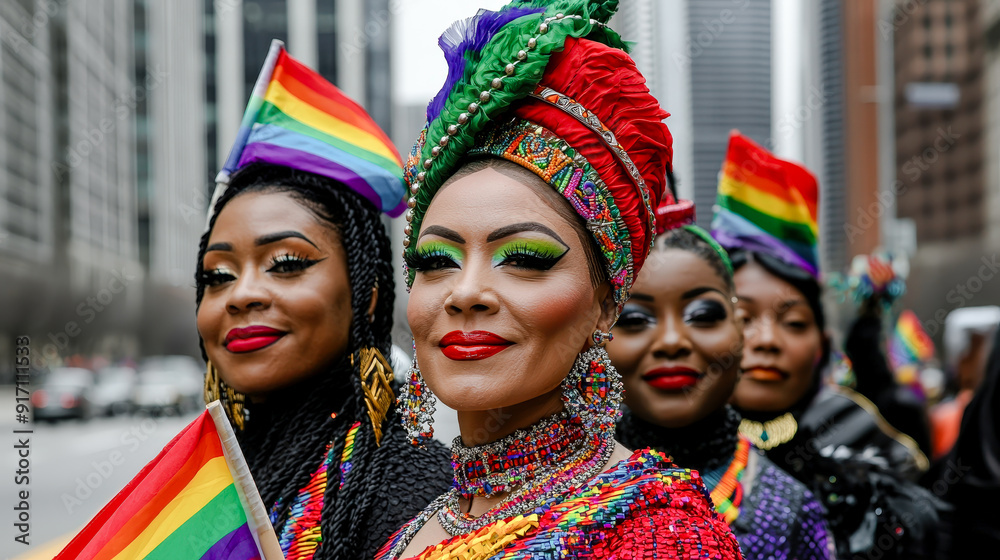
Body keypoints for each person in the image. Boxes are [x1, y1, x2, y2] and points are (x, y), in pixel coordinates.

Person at [375, 2, 743, 558]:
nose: (465, 292)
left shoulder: (656, 531)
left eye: (523, 258)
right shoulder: (423, 523)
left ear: (606, 304)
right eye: (435, 262)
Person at [196, 41, 450, 559]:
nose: (240, 294)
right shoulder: (205, 472)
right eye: (218, 275)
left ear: (367, 297)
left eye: (287, 263)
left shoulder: (417, 487)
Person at [711, 130, 948, 559]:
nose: (767, 341)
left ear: (821, 343)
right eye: (743, 318)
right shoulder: (660, 449)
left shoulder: (868, 438)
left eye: (793, 323)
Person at [609, 195, 835, 559]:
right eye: (635, 319)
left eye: (702, 315)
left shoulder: (790, 510)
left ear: (740, 332)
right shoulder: (560, 497)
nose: (671, 341)